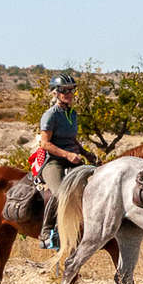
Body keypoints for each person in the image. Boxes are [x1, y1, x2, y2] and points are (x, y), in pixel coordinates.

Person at [35, 74, 92, 250]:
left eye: (71, 90)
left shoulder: (72, 114)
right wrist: (67, 155)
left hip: (72, 159)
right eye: (64, 91)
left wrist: (86, 153)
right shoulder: (50, 115)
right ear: (55, 93)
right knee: (61, 193)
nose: (68, 94)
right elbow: (44, 143)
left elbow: (72, 140)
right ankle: (46, 232)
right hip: (53, 162)